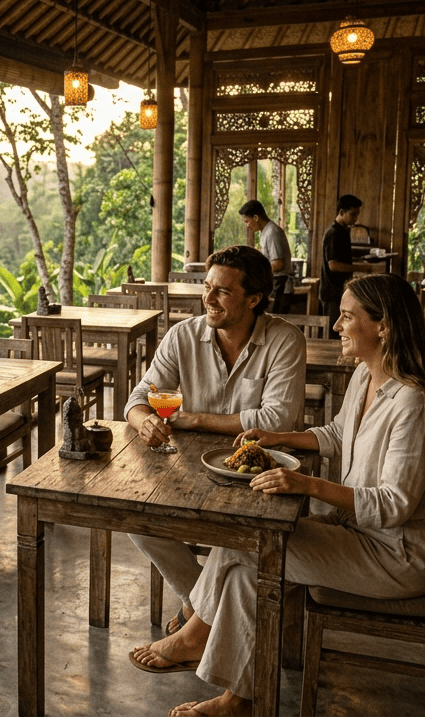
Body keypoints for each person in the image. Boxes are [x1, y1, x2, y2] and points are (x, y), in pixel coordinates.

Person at [130, 273, 425, 717]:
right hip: (359, 536)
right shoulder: (365, 377)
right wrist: (276, 438)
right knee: (246, 569)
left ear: (384, 326)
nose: (337, 326)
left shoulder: (412, 404)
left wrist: (306, 484)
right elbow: (338, 434)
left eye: (346, 317)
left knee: (247, 541)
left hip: (398, 556)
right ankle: (239, 699)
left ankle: (194, 634)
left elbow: (394, 505)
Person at [125, 245, 307, 634]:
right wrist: (143, 421)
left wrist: (189, 418)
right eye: (206, 287)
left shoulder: (284, 340)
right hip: (188, 469)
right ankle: (201, 607)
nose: (207, 298)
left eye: (221, 291)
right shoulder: (182, 336)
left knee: (241, 532)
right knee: (136, 518)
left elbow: (276, 419)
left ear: (253, 299)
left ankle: (197, 620)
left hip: (259, 474)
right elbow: (140, 397)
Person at [238, 199, 293, 314]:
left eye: (247, 221)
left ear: (256, 218)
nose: (247, 226)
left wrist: (256, 272)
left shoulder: (272, 232)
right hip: (275, 284)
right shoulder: (264, 232)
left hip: (281, 286)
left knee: (274, 326)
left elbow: (278, 264)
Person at [319, 194, 361, 329]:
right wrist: (363, 268)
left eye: (357, 214)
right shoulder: (333, 234)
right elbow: (334, 265)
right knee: (333, 332)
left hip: (340, 291)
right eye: (353, 214)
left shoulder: (343, 232)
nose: (356, 218)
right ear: (341, 212)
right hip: (332, 292)